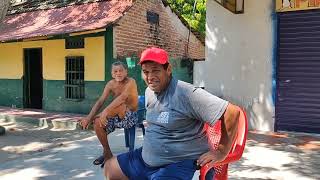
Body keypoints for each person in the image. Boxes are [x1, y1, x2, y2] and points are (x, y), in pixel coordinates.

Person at [104, 47, 240, 180]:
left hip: (178, 162)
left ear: (168, 69)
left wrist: (221, 152)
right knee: (110, 168)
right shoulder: (149, 91)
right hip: (146, 159)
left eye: (155, 71)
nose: (150, 77)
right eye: (145, 72)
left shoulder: (186, 93)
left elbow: (232, 112)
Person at [79, 61, 139, 167]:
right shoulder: (111, 84)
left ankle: (106, 155)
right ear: (112, 74)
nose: (118, 73)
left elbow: (122, 98)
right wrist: (89, 118)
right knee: (97, 122)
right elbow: (100, 101)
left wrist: (105, 112)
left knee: (121, 105)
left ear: (126, 72)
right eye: (115, 71)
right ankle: (107, 153)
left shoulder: (131, 81)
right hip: (116, 115)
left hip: (130, 116)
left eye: (121, 71)